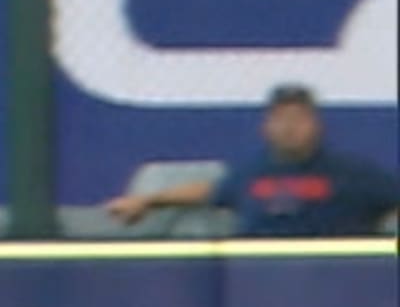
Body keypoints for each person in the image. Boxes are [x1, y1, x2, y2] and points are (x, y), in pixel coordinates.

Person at [105, 84, 400, 237]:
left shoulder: (353, 174)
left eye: (299, 118)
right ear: (265, 126)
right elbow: (210, 191)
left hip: (334, 281)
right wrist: (148, 200)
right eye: (280, 118)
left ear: (317, 125)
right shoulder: (251, 172)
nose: (289, 127)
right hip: (256, 280)